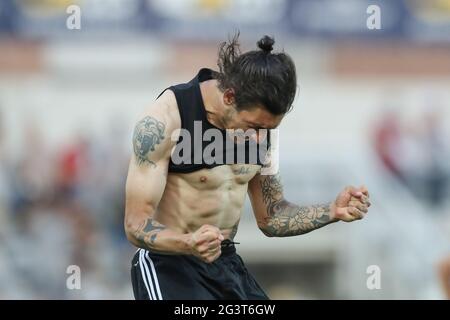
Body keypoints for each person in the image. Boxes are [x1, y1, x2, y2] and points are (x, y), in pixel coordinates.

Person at [124, 34, 371, 300]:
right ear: (230, 97)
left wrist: (332, 210)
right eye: (254, 127)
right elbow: (135, 224)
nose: (258, 139)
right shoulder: (165, 119)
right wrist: (188, 243)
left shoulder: (261, 130)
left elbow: (272, 218)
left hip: (225, 264)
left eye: (268, 129)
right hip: (169, 265)